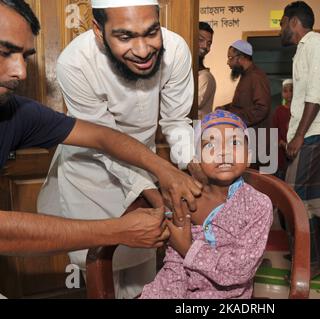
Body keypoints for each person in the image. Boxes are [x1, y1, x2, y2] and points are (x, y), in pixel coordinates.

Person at [37, 0, 202, 299]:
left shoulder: (175, 50)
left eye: (151, 32)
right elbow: (103, 141)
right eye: (125, 37)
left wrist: (192, 166)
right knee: (102, 274)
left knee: (146, 276)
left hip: (149, 164)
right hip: (91, 174)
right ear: (98, 30)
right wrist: (156, 192)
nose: (142, 50)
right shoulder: (75, 62)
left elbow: (177, 121)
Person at [0, 0, 182, 268]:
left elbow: (103, 137)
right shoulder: (75, 62)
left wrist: (164, 171)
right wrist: (117, 230)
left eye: (25, 56)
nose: (21, 72)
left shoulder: (19, 113)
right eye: (5, 52)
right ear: (99, 31)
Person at [140, 110, 273, 299]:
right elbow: (174, 265)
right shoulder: (185, 199)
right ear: (196, 159)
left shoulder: (258, 206)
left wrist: (188, 249)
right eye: (210, 144)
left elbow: (239, 271)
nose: (223, 151)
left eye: (234, 142)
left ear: (249, 155)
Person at [280, 1, 320, 277]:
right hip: (313, 132)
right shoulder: (307, 48)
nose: (280, 28)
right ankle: (310, 258)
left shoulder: (314, 44)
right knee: (313, 200)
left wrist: (299, 136)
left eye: (282, 22)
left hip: (314, 132)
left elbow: (316, 94)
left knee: (293, 197)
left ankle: (309, 262)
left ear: (294, 22)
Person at [219, 40, 271, 168]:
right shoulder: (247, 75)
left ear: (241, 58)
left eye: (230, 58)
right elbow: (243, 104)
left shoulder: (256, 76)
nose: (228, 62)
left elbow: (261, 108)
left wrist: (233, 118)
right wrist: (225, 109)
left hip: (257, 142)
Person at [272, 79, 293, 181]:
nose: (288, 94)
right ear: (282, 93)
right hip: (281, 153)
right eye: (285, 91)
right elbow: (274, 132)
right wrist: (282, 143)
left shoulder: (300, 111)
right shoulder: (279, 110)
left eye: (291, 90)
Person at [198, 22, 216, 120]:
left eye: (209, 43)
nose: (205, 46)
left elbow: (195, 104)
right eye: (200, 40)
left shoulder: (205, 77)